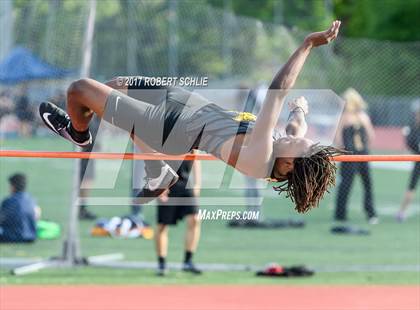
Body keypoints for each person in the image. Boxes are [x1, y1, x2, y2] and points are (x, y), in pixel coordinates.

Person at [39, 21, 344, 213]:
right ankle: (158, 170)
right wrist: (300, 110)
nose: (298, 137)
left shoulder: (261, 157)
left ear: (290, 164)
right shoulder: (282, 151)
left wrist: (306, 45)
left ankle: (79, 134)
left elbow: (278, 89)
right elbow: (295, 127)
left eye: (300, 145)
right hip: (185, 105)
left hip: (168, 126)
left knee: (79, 90)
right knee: (117, 85)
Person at [334, 88, 378, 224]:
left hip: (353, 155)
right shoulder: (360, 117)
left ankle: (342, 214)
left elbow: (338, 139)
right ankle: (369, 213)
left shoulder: (346, 117)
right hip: (358, 154)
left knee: (353, 184)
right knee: (361, 184)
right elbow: (371, 136)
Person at [155, 151, 202, 276]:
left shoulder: (191, 134)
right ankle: (162, 264)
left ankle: (188, 261)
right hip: (166, 184)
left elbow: (195, 157)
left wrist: (197, 184)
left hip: (186, 184)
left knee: (195, 219)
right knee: (162, 225)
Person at [396, 100, 420, 222]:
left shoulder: (414, 129)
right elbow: (411, 145)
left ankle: (401, 212)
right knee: (411, 187)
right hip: (418, 160)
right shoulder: (414, 129)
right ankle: (401, 212)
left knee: (411, 187)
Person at [0, 173, 39, 243]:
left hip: (12, 237)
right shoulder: (32, 200)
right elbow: (36, 216)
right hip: (31, 236)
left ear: (13, 187)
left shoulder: (8, 201)